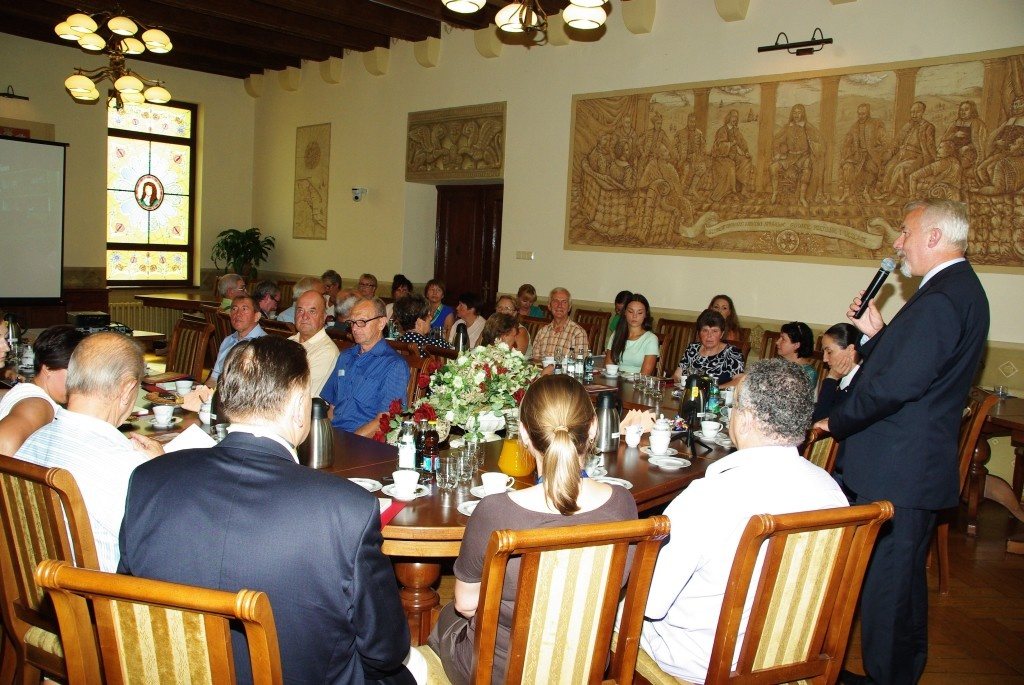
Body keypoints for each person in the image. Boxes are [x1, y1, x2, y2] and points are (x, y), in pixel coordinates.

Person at [118, 336, 421, 685]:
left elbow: (128, 607)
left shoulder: (148, 480)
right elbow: (386, 651)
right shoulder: (346, 510)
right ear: (297, 407)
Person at [816, 199, 989, 685]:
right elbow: (917, 367)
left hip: (899, 469)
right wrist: (875, 336)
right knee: (901, 589)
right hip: (912, 466)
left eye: (905, 232)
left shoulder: (941, 298)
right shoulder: (958, 290)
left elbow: (896, 387)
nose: (897, 243)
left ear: (933, 236)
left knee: (887, 594)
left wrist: (837, 421)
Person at [640, 358, 848, 683]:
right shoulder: (833, 494)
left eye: (734, 407)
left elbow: (649, 600)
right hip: (789, 657)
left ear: (747, 420)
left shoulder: (707, 497)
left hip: (701, 663)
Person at [428, 374, 638, 684]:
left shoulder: (495, 511)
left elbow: (467, 604)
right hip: (583, 668)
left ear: (524, 435)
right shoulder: (623, 503)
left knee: (446, 616)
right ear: (593, 427)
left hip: (498, 673)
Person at [15, 332, 163, 572]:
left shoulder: (31, 443)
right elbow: (165, 544)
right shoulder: (130, 468)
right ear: (127, 389)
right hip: (98, 602)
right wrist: (163, 472)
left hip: (36, 595)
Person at [321, 297, 409, 437]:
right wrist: (322, 436)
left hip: (362, 442)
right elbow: (332, 409)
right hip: (335, 436)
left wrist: (346, 443)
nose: (355, 328)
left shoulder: (393, 365)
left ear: (381, 323)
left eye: (362, 322)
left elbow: (384, 421)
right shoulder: (345, 357)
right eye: (352, 322)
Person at [0, 325, 85, 455]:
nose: (81, 381)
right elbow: (3, 443)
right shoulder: (38, 405)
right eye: (75, 372)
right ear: (48, 368)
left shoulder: (28, 393)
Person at [671, 309, 744, 388]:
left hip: (717, 398)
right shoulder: (692, 349)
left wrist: (714, 390)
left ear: (722, 334)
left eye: (714, 331)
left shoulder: (733, 352)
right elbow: (676, 376)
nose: (709, 335)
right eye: (705, 330)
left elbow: (739, 380)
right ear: (699, 333)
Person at [206, 294, 266, 388]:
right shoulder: (228, 341)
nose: (238, 314)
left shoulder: (264, 345)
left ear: (257, 316)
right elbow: (213, 379)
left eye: (244, 309)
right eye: (234, 309)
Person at [288, 289, 340, 396]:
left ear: (324, 317)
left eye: (312, 311)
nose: (304, 316)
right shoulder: (289, 341)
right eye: (300, 310)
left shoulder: (326, 352)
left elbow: (301, 395)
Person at [837, 103, 889, 204]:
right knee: (847, 166)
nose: (861, 116)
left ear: (868, 113)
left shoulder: (876, 125)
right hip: (857, 156)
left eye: (863, 114)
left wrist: (878, 152)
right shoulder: (854, 127)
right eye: (859, 114)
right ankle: (847, 192)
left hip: (871, 155)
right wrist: (847, 152)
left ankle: (866, 191)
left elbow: (886, 142)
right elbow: (846, 143)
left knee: (872, 167)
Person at [811, 322, 861, 423]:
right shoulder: (844, 378)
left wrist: (831, 379)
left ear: (851, 350)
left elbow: (821, 419)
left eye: (829, 352)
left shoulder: (860, 384)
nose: (825, 359)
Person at [605, 293, 658, 375]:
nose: (634, 316)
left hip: (637, 385)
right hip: (616, 382)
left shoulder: (651, 339)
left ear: (645, 315)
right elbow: (608, 366)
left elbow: (645, 375)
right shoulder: (617, 334)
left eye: (639, 313)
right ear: (625, 312)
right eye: (630, 311)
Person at [531, 287, 589, 362]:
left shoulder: (578, 333)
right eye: (555, 301)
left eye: (564, 302)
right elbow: (535, 361)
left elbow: (579, 365)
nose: (559, 306)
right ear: (549, 306)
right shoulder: (542, 332)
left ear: (569, 307)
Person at [394, 294, 454, 358]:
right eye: (428, 315)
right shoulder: (436, 345)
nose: (431, 318)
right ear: (419, 322)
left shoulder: (397, 343)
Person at [775, 321, 818, 389]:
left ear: (796, 345)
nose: (777, 342)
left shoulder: (808, 373)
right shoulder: (779, 363)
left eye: (783, 339)